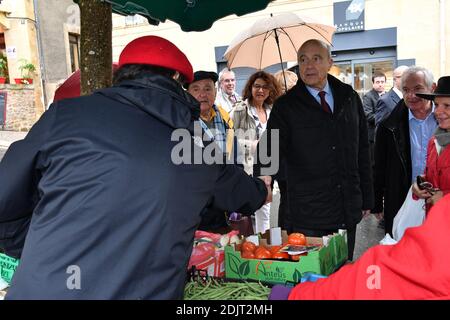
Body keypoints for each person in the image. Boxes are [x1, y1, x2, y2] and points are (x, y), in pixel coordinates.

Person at [0, 36, 270, 299]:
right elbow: (246, 195)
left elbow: (6, 201)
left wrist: (48, 247)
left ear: (124, 74)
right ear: (178, 82)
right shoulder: (195, 147)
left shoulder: (64, 115)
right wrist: (263, 186)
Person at [255, 39, 374, 260]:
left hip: (346, 206)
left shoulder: (349, 97)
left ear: (329, 62)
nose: (308, 65)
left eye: (316, 59)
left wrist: (366, 198)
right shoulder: (286, 106)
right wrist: (265, 178)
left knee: (342, 273)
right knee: (310, 281)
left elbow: (362, 151)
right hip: (306, 213)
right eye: (303, 60)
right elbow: (268, 147)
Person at [270, 193, 450, 300]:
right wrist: (265, 174)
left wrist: (365, 198)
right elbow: (273, 138)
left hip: (342, 212)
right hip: (301, 210)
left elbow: (379, 280)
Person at [373, 66, 437, 237]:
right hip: (404, 200)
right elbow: (379, 166)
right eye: (406, 90)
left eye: (418, 89)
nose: (411, 96)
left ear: (432, 88)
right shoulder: (388, 126)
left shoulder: (445, 119)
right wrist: (377, 202)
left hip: (442, 201)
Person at [184, 70, 237, 232]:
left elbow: (234, 153)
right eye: (196, 89)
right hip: (193, 203)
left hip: (222, 198)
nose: (202, 94)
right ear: (187, 93)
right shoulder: (182, 119)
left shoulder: (224, 116)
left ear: (215, 91)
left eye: (207, 89)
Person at [230, 71, 282, 233]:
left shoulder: (273, 110)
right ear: (250, 88)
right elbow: (229, 140)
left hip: (268, 166)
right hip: (247, 166)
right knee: (246, 210)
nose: (261, 90)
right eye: (257, 86)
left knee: (264, 208)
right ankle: (244, 246)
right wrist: (252, 145)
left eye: (265, 87)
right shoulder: (239, 110)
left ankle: (262, 245)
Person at [412, 76, 450, 211]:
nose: (437, 112)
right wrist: (418, 185)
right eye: (437, 105)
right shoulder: (434, 141)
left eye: (447, 106)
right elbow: (433, 175)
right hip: (435, 224)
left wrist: (445, 198)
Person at [363, 72, 386, 165]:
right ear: (373, 83)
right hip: (374, 137)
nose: (380, 84)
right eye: (377, 82)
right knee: (374, 163)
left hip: (387, 135)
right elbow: (368, 116)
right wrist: (386, 118)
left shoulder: (389, 95)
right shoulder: (368, 97)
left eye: (382, 82)